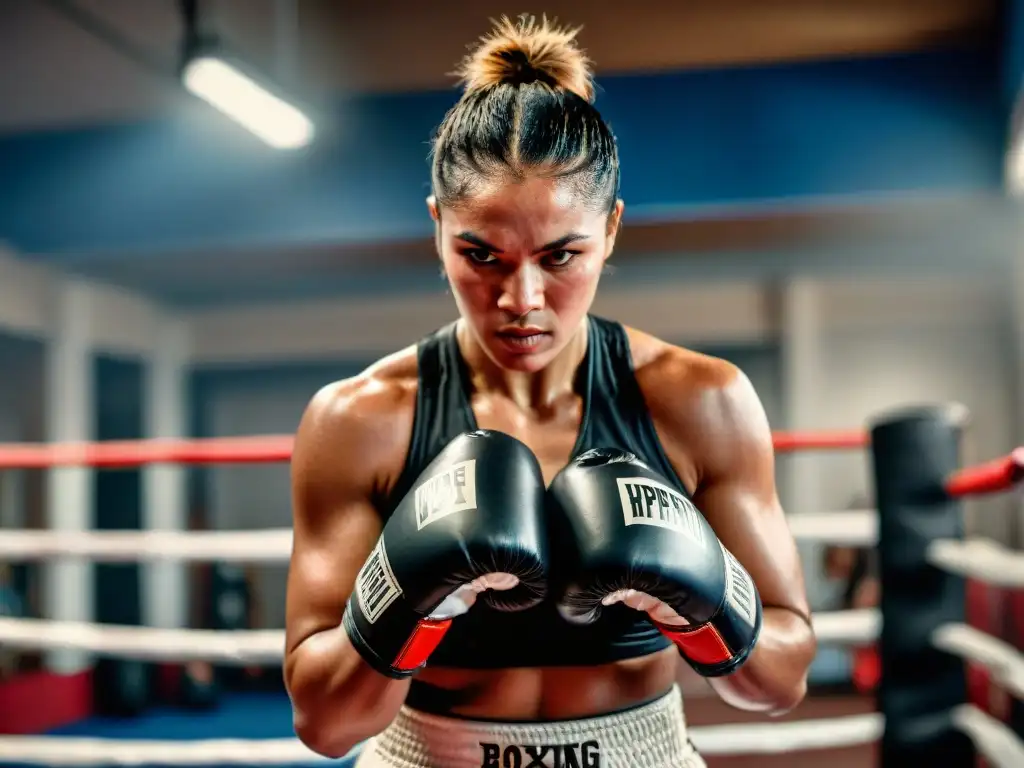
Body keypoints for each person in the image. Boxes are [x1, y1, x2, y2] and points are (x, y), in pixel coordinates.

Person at [284, 15, 815, 768]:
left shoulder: (699, 403)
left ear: (612, 231)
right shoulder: (363, 419)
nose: (521, 298)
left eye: (562, 254)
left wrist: (703, 593)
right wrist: (409, 595)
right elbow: (324, 725)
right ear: (438, 230)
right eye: (482, 255)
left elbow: (780, 679)